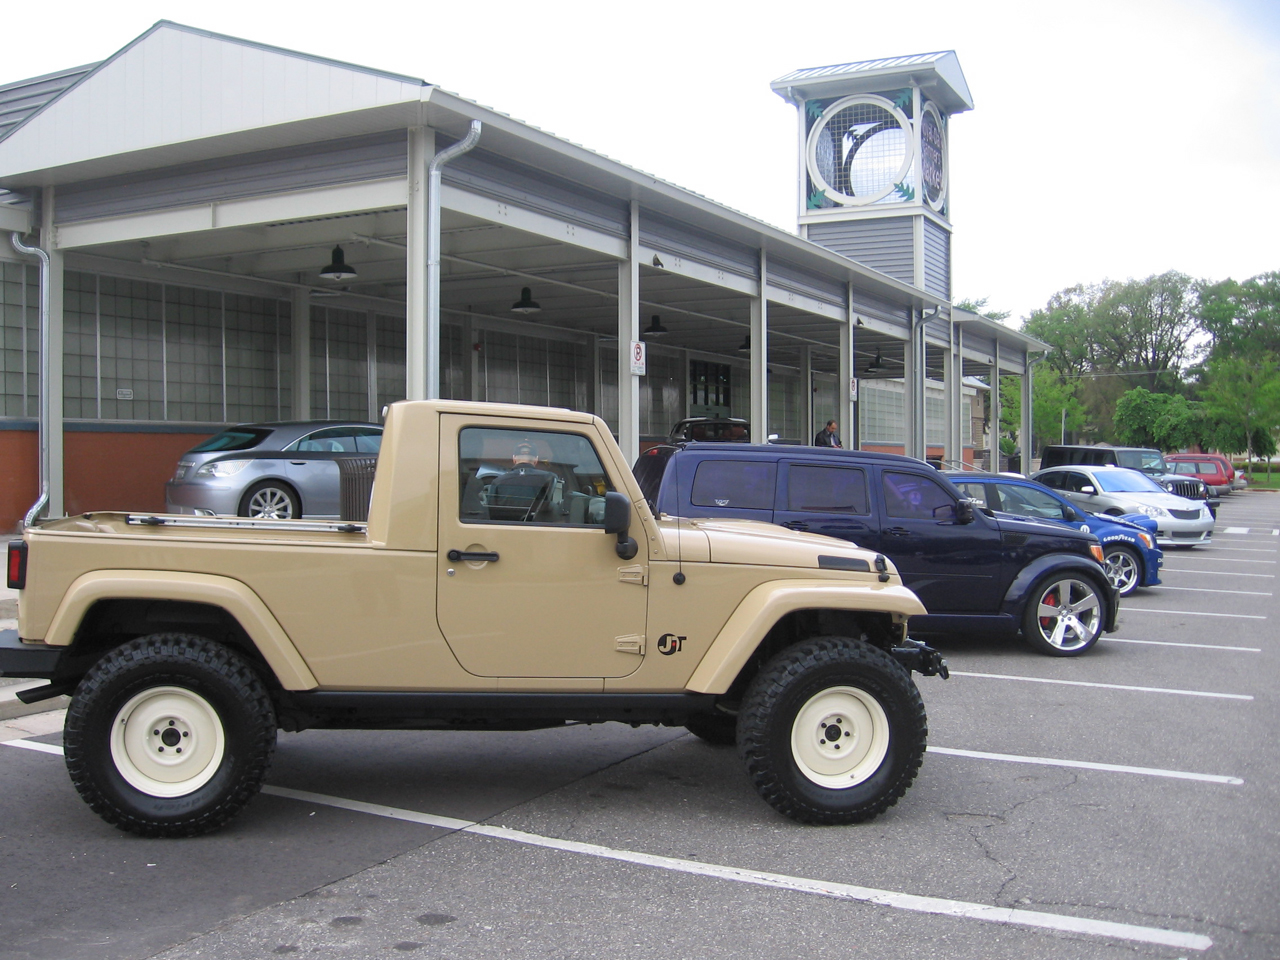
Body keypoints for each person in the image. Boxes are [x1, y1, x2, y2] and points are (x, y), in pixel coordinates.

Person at [486, 439, 559, 521]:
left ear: (514, 459)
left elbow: (490, 514)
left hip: (504, 530)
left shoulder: (498, 481)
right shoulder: (550, 478)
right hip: (538, 530)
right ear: (536, 460)